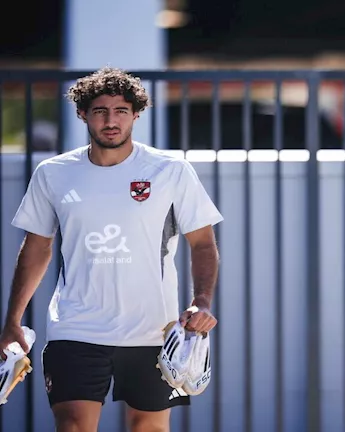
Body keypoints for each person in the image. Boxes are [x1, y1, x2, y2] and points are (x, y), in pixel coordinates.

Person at [0, 66, 224, 432]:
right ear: (82, 114)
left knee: (148, 428)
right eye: (100, 111)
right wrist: (13, 320)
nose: (110, 120)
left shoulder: (170, 170)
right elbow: (36, 247)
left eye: (121, 110)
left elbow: (202, 243)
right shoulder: (53, 173)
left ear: (136, 114)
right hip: (75, 327)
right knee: (73, 425)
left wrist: (201, 301)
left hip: (154, 331)